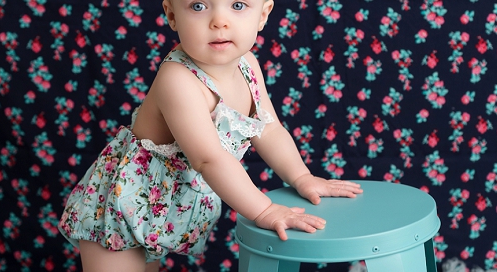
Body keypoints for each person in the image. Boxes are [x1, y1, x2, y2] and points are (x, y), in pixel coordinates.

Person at [58, 0, 363, 271]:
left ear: (263, 14)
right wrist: (265, 210)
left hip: (159, 210)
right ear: (172, 15)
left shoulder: (248, 66)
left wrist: (301, 177)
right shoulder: (178, 80)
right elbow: (209, 159)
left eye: (238, 5)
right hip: (121, 207)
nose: (219, 21)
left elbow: (269, 129)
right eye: (199, 6)